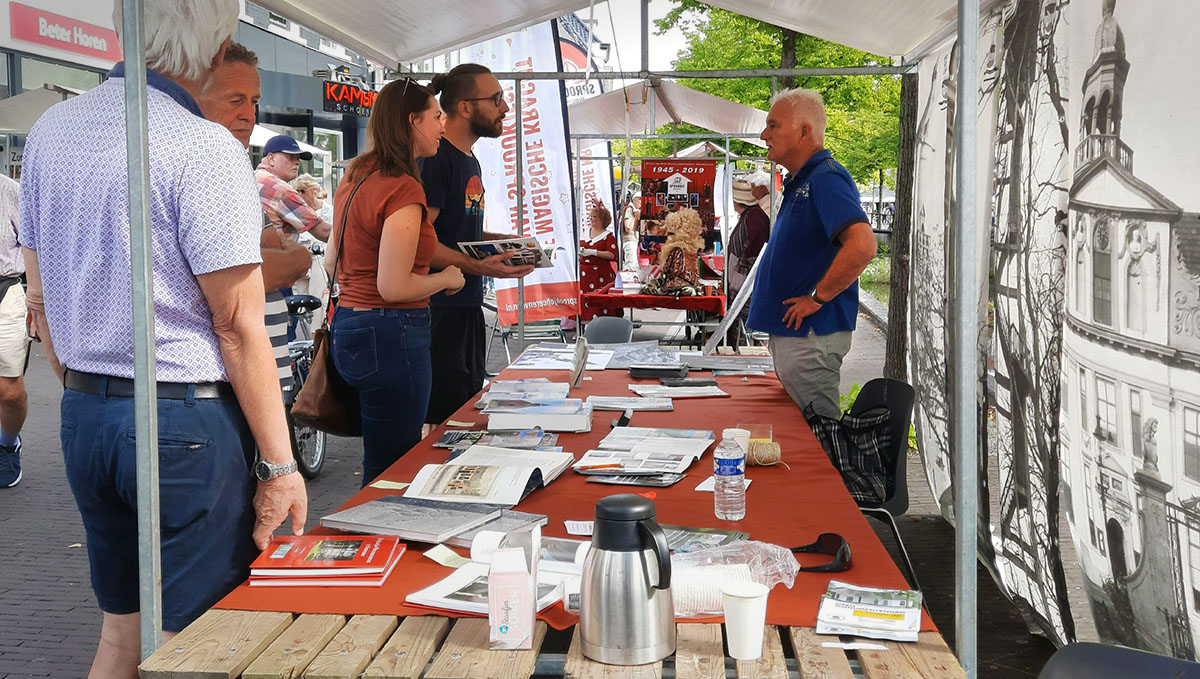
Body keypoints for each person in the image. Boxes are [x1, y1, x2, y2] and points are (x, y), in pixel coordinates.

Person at [19, 2, 307, 676]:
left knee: (122, 635)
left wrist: (89, 389)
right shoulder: (202, 146)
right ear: (216, 46)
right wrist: (281, 465)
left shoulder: (52, 129)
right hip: (182, 416)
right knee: (194, 644)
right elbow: (237, 325)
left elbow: (40, 300)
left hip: (87, 410)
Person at [327, 78, 465, 486]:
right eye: (437, 116)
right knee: (393, 468)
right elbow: (394, 286)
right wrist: (445, 277)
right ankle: (375, 528)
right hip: (392, 331)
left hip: (349, 323)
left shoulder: (356, 174)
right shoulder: (403, 188)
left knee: (381, 461)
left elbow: (331, 259)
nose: (443, 125)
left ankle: (368, 525)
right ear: (412, 121)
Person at [747, 88, 877, 418]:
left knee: (818, 435)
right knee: (806, 429)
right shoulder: (805, 179)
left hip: (811, 334)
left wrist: (817, 298)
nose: (764, 135)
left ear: (804, 130)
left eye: (773, 126)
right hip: (800, 335)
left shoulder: (825, 178)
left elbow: (863, 246)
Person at [421, 63, 535, 427]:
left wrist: (501, 244)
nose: (505, 107)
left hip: (464, 308)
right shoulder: (436, 160)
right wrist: (480, 266)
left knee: (465, 414)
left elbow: (454, 228)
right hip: (439, 311)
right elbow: (419, 241)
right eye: (497, 98)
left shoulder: (468, 158)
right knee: (445, 424)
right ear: (465, 107)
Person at [198, 42, 311, 394]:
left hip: (262, 372)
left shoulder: (239, 175)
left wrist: (286, 257)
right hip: (232, 384)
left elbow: (286, 254)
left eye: (254, 102)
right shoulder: (203, 171)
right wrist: (291, 259)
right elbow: (245, 279)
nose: (249, 114)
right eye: (236, 100)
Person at [0, 174, 27, 488]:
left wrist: (39, 304)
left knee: (8, 392)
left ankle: (7, 443)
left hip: (4, 292)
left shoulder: (9, 191)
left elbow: (36, 247)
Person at [725, 178, 770, 345]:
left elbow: (755, 249)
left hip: (747, 282)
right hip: (744, 280)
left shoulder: (754, 216)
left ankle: (745, 348)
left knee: (745, 324)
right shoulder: (750, 215)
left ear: (737, 201)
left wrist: (740, 277)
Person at [578, 201, 620, 322]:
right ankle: (583, 324)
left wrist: (593, 252)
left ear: (602, 220)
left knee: (599, 301)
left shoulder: (608, 236)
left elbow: (612, 254)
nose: (591, 219)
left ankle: (602, 324)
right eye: (590, 216)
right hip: (584, 275)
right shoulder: (584, 233)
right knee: (584, 300)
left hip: (600, 274)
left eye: (594, 217)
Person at [619, 194, 640, 271]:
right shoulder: (630, 209)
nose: (641, 202)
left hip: (631, 240)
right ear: (634, 200)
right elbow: (628, 227)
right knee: (630, 266)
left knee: (633, 265)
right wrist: (636, 217)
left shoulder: (631, 209)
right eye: (640, 199)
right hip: (629, 240)